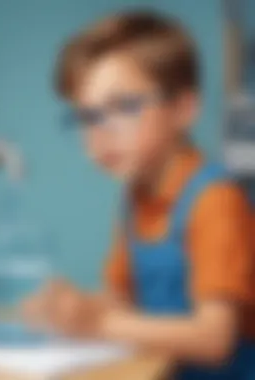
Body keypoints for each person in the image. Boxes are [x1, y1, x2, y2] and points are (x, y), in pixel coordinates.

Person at [24, 11, 255, 379]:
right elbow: (123, 302)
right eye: (88, 116)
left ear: (183, 108)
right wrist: (75, 308)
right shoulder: (135, 199)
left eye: (125, 107)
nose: (101, 133)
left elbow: (216, 338)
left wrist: (97, 324)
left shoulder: (216, 201)